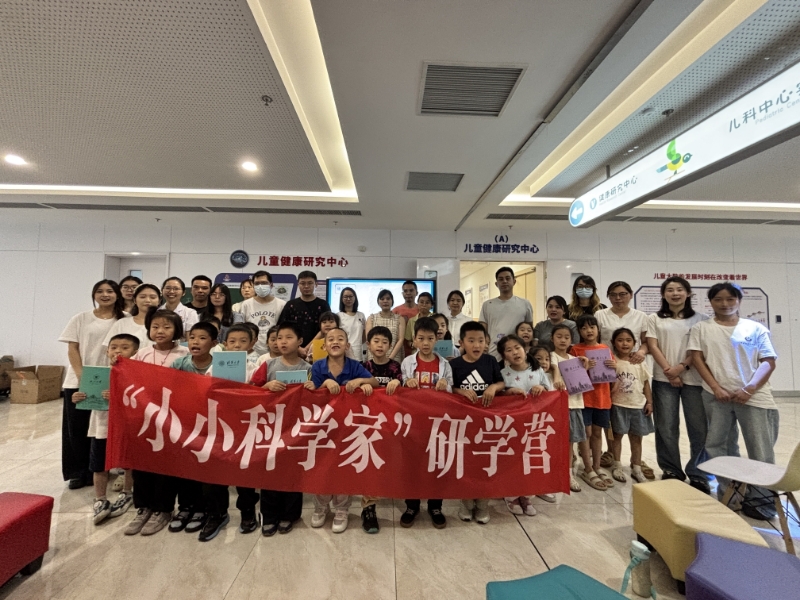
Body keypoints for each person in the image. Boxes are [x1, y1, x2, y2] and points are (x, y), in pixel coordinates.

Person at [689, 282, 779, 520]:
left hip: (754, 397)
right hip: (716, 396)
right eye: (718, 299)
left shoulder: (755, 328)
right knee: (718, 446)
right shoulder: (702, 328)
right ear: (711, 302)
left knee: (760, 449)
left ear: (739, 300)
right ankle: (730, 493)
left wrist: (749, 389)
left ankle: (762, 500)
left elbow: (768, 361)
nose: (725, 304)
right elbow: (697, 359)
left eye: (730, 299)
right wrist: (716, 388)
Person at [125, 309, 189, 536]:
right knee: (142, 464)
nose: (160, 331)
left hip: (173, 419)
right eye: (155, 327)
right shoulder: (141, 354)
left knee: (166, 465)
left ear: (177, 330)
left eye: (166, 327)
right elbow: (127, 378)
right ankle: (143, 507)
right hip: (145, 418)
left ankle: (163, 509)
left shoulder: (185, 353)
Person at [58, 279, 126, 490]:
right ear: (94, 295)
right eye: (100, 291)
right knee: (77, 427)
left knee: (102, 429)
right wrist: (82, 376)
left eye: (110, 291)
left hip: (110, 380)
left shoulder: (123, 319)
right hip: (80, 380)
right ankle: (78, 472)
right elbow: (72, 348)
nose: (105, 295)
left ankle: (100, 468)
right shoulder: (81, 318)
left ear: (117, 294)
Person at [310, 328, 379, 533]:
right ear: (324, 346)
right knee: (322, 467)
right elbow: (309, 392)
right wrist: (324, 383)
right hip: (323, 428)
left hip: (347, 428)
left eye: (340, 339)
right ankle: (321, 507)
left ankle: (342, 509)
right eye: (330, 339)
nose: (335, 342)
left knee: (343, 466)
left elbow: (375, 382)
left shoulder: (355, 366)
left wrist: (361, 381)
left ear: (347, 345)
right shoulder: (317, 366)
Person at [646, 276, 711, 492]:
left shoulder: (701, 319)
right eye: (670, 290)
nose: (675, 293)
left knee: (699, 428)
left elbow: (700, 349)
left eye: (680, 289)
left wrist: (681, 367)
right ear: (663, 294)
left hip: (695, 380)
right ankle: (671, 469)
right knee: (666, 426)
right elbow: (653, 346)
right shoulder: (654, 319)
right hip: (663, 379)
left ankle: (699, 473)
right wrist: (670, 371)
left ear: (688, 293)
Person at [250, 321, 314, 536]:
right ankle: (269, 515)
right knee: (270, 471)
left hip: (296, 428)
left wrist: (312, 388)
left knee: (292, 472)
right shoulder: (269, 365)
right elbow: (251, 390)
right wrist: (266, 387)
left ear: (300, 341)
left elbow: (315, 399)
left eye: (288, 337)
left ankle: (290, 514)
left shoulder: (308, 369)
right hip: (271, 427)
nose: (282, 342)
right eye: (279, 338)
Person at [200, 323, 261, 540]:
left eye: (243, 341)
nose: (237, 346)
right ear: (224, 344)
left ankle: (248, 512)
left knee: (244, 472)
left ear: (251, 344)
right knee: (215, 472)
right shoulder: (214, 367)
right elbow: (204, 391)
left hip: (245, 427)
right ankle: (217, 514)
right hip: (218, 427)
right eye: (232, 341)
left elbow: (260, 395)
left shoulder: (254, 368)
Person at [70, 333, 139, 525]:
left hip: (125, 426)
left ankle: (127, 493)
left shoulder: (135, 374)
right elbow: (85, 395)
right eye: (114, 347)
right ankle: (100, 498)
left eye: (125, 347)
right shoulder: (97, 374)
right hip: (101, 425)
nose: (118, 351)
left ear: (135, 352)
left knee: (127, 462)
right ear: (107, 351)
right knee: (99, 463)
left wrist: (119, 396)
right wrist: (78, 397)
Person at [164, 322, 218, 535]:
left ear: (214, 343)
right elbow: (164, 386)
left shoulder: (222, 365)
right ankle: (186, 507)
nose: (195, 341)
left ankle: (204, 509)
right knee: (185, 466)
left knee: (207, 469)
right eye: (192, 337)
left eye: (202, 338)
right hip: (185, 424)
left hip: (213, 425)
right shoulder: (180, 364)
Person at [400, 317, 454, 530]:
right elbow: (400, 389)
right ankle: (411, 505)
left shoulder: (444, 364)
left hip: (437, 422)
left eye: (430, 338)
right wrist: (407, 382)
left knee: (436, 463)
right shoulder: (407, 362)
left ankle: (435, 506)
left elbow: (451, 391)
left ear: (436, 339)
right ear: (414, 340)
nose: (425, 343)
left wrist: (445, 384)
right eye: (421, 338)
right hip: (414, 422)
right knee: (412, 464)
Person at [594, 281, 651, 475]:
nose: (618, 298)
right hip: (606, 366)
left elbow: (646, 342)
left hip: (632, 365)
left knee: (632, 425)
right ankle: (612, 454)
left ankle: (636, 461)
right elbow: (595, 339)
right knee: (611, 414)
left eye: (622, 294)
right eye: (613, 294)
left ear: (630, 294)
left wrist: (641, 352)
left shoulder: (640, 316)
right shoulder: (600, 315)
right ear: (608, 296)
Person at [497, 334, 549, 516]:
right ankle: (511, 495)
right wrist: (508, 392)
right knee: (512, 459)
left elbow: (549, 391)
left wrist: (541, 388)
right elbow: (499, 398)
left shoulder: (537, 370)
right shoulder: (503, 374)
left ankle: (527, 495)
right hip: (512, 425)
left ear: (525, 349)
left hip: (534, 424)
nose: (515, 352)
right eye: (509, 350)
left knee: (530, 458)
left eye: (517, 348)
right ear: (504, 356)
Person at [359, 326, 403, 534]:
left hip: (391, 424)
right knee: (370, 465)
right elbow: (352, 388)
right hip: (369, 426)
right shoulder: (363, 367)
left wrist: (398, 383)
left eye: (385, 342)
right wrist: (362, 384)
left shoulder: (396, 367)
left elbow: (405, 389)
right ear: (368, 344)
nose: (380, 345)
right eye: (376, 341)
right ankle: (368, 508)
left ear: (390, 346)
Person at [571, 315, 616, 490]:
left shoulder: (605, 349)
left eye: (592, 327)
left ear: (598, 329)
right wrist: (584, 368)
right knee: (586, 433)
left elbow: (613, 375)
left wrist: (614, 367)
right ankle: (587, 468)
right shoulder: (575, 349)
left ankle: (597, 466)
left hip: (602, 398)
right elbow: (572, 377)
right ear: (579, 331)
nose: (588, 331)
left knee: (597, 433)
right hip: (583, 398)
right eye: (584, 328)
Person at [609, 328, 654, 484]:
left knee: (636, 438)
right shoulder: (612, 361)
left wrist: (649, 402)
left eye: (628, 340)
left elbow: (646, 383)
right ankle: (617, 465)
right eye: (620, 340)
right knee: (617, 437)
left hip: (637, 405)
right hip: (618, 405)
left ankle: (636, 467)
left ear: (635, 343)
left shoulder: (639, 363)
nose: (624, 343)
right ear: (613, 343)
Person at [549, 323, 589, 492]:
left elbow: (582, 381)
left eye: (566, 337)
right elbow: (553, 367)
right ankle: (553, 472)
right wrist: (557, 377)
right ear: (552, 339)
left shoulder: (575, 359)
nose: (563, 340)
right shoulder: (550, 356)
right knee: (554, 442)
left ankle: (568, 474)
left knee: (570, 442)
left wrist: (585, 365)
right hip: (557, 406)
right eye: (559, 336)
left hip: (574, 404)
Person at [479, 266, 533, 359]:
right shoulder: (487, 305)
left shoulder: (525, 304)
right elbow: (482, 329)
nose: (504, 281)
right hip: (493, 353)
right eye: (501, 279)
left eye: (508, 278)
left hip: (517, 353)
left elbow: (529, 328)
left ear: (514, 281)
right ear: (496, 284)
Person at [279, 271, 331, 358]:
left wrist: (307, 348)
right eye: (303, 283)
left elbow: (326, 328)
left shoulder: (323, 304)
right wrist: (298, 348)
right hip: (293, 349)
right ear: (298, 284)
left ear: (316, 284)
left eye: (310, 283)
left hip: (318, 349)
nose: (306, 286)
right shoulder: (291, 305)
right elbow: (282, 328)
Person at [239, 270, 286, 356]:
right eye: (257, 283)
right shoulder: (246, 304)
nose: (260, 286)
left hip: (276, 350)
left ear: (271, 285)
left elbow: (284, 329)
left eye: (264, 283)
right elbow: (242, 328)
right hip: (252, 350)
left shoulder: (282, 304)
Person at [103, 283, 161, 349]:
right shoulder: (122, 323)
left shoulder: (165, 323)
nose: (147, 300)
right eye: (142, 297)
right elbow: (110, 348)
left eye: (152, 297)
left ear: (159, 301)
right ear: (134, 300)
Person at [366, 290, 406, 362]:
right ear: (378, 301)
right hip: (374, 357)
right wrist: (376, 357)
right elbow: (368, 339)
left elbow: (401, 340)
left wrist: (390, 359)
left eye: (388, 299)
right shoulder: (371, 318)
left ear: (392, 301)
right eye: (382, 299)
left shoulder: (400, 319)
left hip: (394, 356)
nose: (385, 301)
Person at [338, 287, 366, 361]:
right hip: (344, 353)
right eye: (345, 297)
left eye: (351, 296)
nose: (348, 299)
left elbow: (364, 335)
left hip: (358, 353)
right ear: (341, 299)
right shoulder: (338, 316)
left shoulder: (361, 315)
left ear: (355, 298)